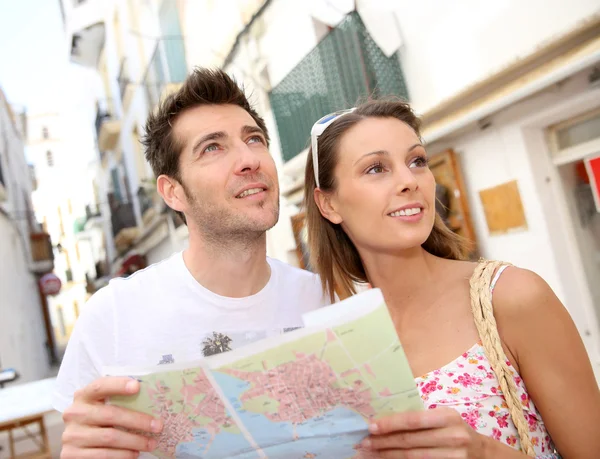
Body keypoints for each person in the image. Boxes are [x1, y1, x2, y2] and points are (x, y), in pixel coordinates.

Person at [53, 68, 329, 458]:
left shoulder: (326, 303)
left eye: (254, 139)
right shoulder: (113, 316)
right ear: (173, 192)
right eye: (212, 148)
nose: (249, 158)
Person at [304, 99, 600, 458]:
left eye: (417, 161)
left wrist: (483, 452)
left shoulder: (507, 297)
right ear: (329, 204)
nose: (408, 181)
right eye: (376, 168)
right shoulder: (342, 343)